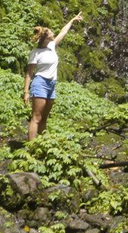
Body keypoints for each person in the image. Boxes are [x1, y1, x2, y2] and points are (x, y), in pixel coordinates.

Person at [23, 12, 83, 140]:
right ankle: (31, 147)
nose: (53, 34)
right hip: (40, 83)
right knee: (36, 117)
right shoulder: (35, 53)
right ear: (45, 37)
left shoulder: (51, 46)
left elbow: (63, 32)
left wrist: (72, 20)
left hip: (51, 84)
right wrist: (26, 92)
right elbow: (29, 73)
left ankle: (42, 143)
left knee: (44, 117)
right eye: (50, 33)